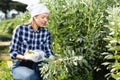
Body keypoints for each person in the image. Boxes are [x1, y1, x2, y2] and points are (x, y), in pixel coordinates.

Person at [9, 3, 53, 80]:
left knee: (51, 74)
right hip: (21, 65)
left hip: (39, 65)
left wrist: (54, 60)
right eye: (43, 17)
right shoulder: (20, 29)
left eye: (47, 18)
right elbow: (13, 52)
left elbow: (48, 51)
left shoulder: (46, 32)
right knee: (31, 76)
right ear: (35, 17)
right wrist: (25, 57)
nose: (46, 20)